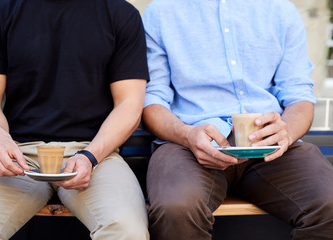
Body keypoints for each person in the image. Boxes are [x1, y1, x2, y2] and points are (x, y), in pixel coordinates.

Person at [141, 0, 333, 239]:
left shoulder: (280, 10)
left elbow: (299, 96)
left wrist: (287, 132)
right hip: (188, 144)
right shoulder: (161, 11)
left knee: (330, 203)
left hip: (270, 147)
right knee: (177, 209)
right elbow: (152, 100)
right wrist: (187, 135)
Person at [0, 0, 149, 239]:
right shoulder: (1, 11)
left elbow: (129, 105)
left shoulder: (120, 13)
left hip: (96, 154)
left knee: (127, 231)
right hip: (19, 154)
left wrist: (90, 156)